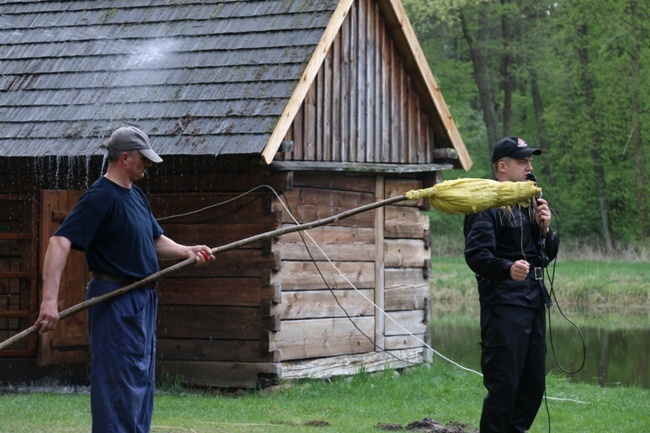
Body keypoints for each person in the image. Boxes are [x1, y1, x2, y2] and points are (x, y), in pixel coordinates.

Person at [34, 126, 215, 433]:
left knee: (139, 382)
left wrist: (186, 250)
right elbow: (59, 242)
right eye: (143, 159)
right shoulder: (100, 197)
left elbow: (154, 240)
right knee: (117, 384)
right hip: (115, 298)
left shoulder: (137, 196)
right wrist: (49, 300)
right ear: (124, 157)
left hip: (142, 300)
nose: (148, 164)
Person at [463, 136, 560, 433]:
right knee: (504, 385)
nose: (529, 167)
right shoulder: (484, 203)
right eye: (523, 161)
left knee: (533, 385)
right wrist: (507, 269)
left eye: (530, 161)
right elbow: (477, 255)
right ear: (502, 167)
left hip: (532, 302)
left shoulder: (528, 202)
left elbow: (543, 257)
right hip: (503, 304)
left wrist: (546, 229)